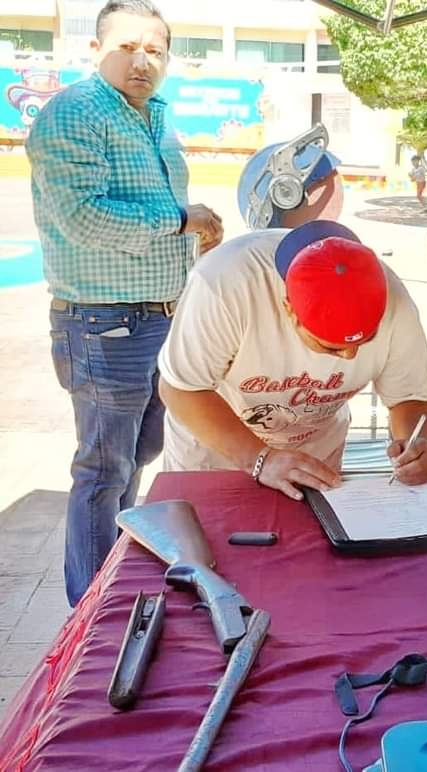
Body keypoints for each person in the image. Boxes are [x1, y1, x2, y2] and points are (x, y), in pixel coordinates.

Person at [26, 0, 223, 606]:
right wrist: (180, 219)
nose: (143, 61)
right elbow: (83, 217)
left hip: (160, 316)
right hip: (105, 322)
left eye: (156, 50)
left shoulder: (155, 117)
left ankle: (116, 576)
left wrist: (193, 238)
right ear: (97, 49)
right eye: (128, 47)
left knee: (140, 453)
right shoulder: (74, 113)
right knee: (103, 471)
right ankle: (89, 612)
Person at [158, 126, 427, 500]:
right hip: (213, 459)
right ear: (289, 311)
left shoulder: (395, 302)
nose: (350, 357)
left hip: (312, 465)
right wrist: (261, 459)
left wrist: (412, 446)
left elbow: (409, 395)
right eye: (333, 348)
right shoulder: (226, 284)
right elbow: (180, 388)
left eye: (363, 341)